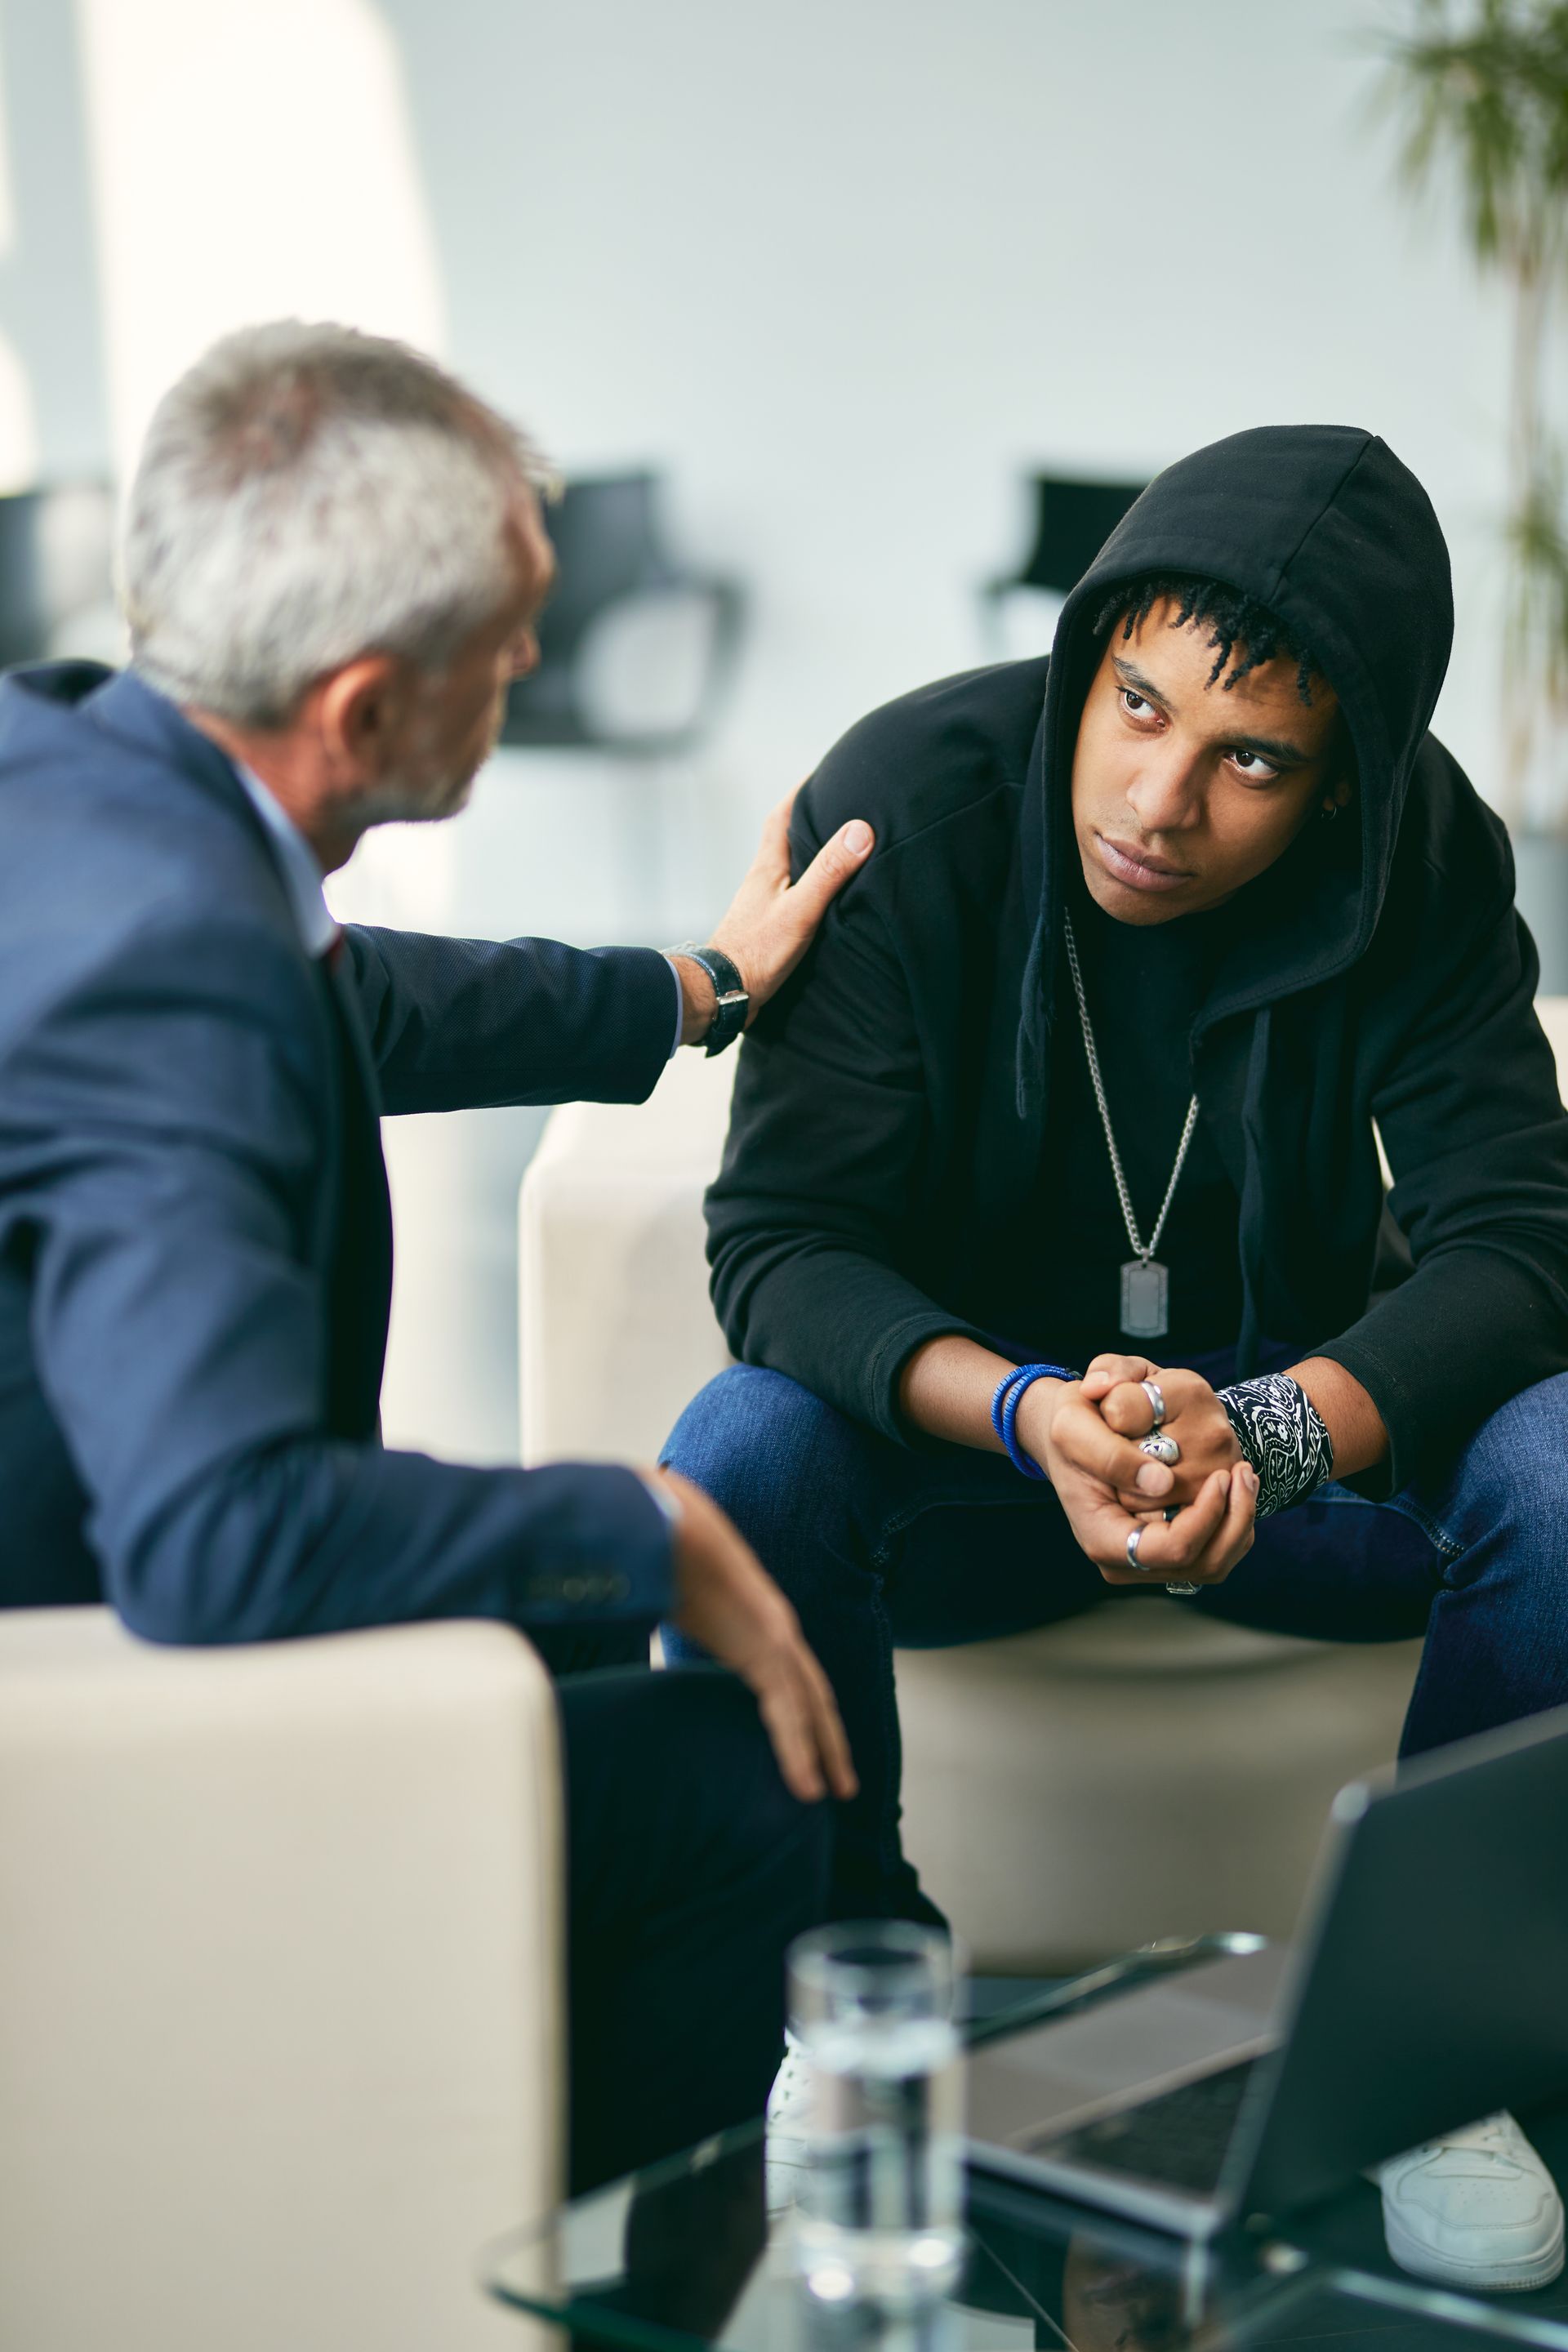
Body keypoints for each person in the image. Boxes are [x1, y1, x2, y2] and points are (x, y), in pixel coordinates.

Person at [662, 424, 1568, 2287]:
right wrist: (1018, 1409)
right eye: (1134, 704)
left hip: (1287, 1456)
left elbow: (1524, 1240)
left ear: (1339, 788)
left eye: (1251, 758)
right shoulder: (910, 799)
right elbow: (779, 1245)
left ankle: (1427, 2048)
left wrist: (1274, 1432)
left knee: (1564, 1462)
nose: (1158, 798)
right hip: (975, 1450)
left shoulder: (1423, 857)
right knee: (741, 1451)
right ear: (1085, 661)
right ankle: (850, 2002)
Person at [0, 319, 872, 2193]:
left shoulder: (75, 764)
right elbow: (219, 1538)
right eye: (511, 636)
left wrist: (693, 990)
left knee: (554, 1667)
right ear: (369, 707)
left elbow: (349, 1001)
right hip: (72, 1754)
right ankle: (480, 2270)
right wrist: (644, 1525)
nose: (538, 663)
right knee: (739, 1789)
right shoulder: (180, 976)